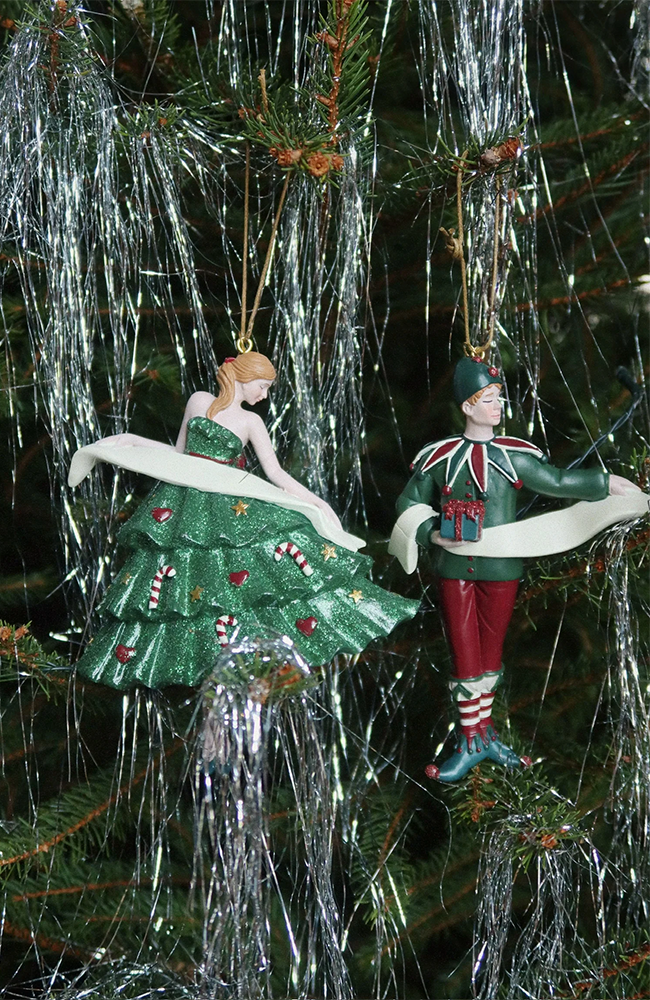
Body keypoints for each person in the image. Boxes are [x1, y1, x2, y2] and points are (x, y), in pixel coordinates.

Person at [70, 352, 419, 689]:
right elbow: (179, 453)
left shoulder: (251, 422)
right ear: (245, 377)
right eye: (263, 386)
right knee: (184, 577)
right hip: (183, 506)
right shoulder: (199, 401)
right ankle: (191, 659)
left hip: (230, 508)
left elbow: (276, 473)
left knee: (237, 578)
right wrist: (131, 441)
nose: (264, 395)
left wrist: (315, 501)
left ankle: (238, 661)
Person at [392, 355, 642, 782]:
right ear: (467, 406)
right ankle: (470, 737)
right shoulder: (440, 457)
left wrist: (606, 483)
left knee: (490, 654)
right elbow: (407, 502)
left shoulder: (513, 456)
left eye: (498, 398)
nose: (498, 406)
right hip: (453, 568)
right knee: (464, 653)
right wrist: (432, 533)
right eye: (488, 399)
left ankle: (482, 734)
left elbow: (558, 482)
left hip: (502, 568)